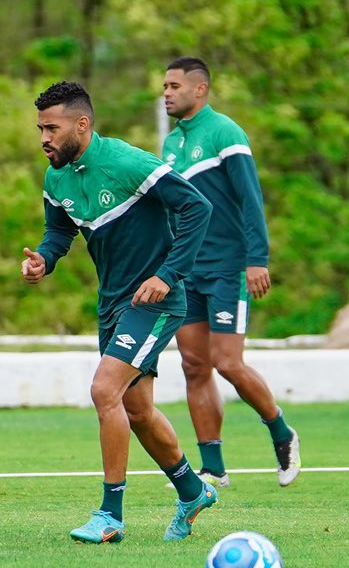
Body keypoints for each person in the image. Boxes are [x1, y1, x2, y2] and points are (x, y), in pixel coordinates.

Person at [22, 81, 218, 543]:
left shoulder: (128, 162)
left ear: (82, 124)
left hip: (155, 300)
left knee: (103, 390)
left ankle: (109, 515)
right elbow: (59, 233)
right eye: (40, 129)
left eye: (52, 128)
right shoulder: (57, 177)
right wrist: (43, 260)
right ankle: (193, 491)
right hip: (113, 304)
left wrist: (168, 275)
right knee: (138, 409)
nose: (44, 138)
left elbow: (197, 207)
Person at [159, 57, 300, 489]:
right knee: (194, 365)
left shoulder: (226, 133)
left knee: (227, 362)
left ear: (200, 90)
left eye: (174, 85)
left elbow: (250, 198)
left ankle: (281, 432)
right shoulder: (170, 146)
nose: (166, 93)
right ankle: (213, 469)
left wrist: (257, 258)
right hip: (187, 270)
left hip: (227, 268)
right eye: (164, 86)